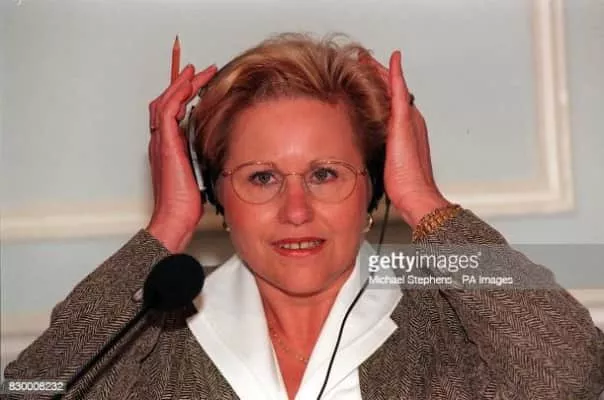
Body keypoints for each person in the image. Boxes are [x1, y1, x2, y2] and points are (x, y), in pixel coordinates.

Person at [3, 33, 604, 400]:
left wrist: (424, 199)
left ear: (373, 188)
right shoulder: (154, 337)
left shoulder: (448, 331)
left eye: (325, 174)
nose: (296, 211)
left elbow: (576, 374)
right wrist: (164, 229)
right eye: (261, 177)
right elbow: (30, 390)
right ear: (216, 195)